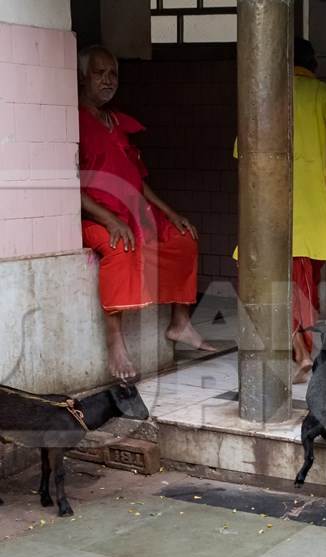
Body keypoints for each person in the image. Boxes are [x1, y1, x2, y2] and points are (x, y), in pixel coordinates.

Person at [233, 38, 326, 383]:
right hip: (316, 206)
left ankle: (302, 352)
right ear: (313, 65)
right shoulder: (324, 93)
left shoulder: (266, 99)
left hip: (274, 205)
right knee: (304, 281)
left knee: (279, 280)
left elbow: (243, 151)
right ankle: (302, 352)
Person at [78, 45, 215, 381]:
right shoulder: (72, 121)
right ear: (83, 76)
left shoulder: (118, 123)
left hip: (134, 211)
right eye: (100, 73)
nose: (108, 81)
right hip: (93, 216)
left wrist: (171, 212)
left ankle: (180, 322)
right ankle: (115, 342)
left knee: (183, 238)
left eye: (113, 74)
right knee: (119, 246)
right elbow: (71, 186)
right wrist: (110, 220)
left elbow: (139, 183)